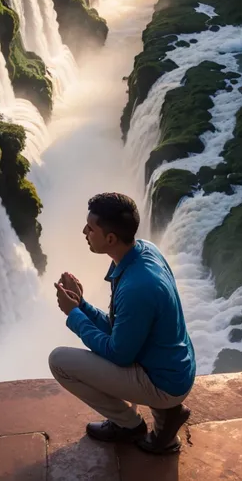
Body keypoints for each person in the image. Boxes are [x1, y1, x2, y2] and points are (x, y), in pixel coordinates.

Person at [49, 192, 196, 455]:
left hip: (164, 383)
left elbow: (119, 354)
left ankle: (129, 425)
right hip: (173, 367)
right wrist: (82, 305)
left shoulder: (137, 287)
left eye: (90, 227)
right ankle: (166, 413)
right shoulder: (145, 252)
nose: (84, 231)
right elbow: (123, 328)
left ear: (110, 238)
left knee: (59, 361)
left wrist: (74, 316)